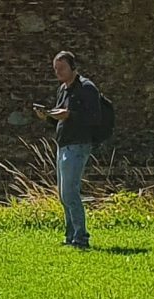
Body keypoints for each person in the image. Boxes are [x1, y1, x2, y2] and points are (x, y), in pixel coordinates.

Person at [37, 50, 104, 248]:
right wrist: (48, 116)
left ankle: (81, 237)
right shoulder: (62, 89)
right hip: (63, 144)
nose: (58, 72)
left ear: (73, 67)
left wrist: (69, 115)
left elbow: (94, 118)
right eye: (55, 69)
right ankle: (70, 235)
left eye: (62, 68)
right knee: (62, 195)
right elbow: (60, 118)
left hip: (78, 144)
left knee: (70, 192)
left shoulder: (87, 88)